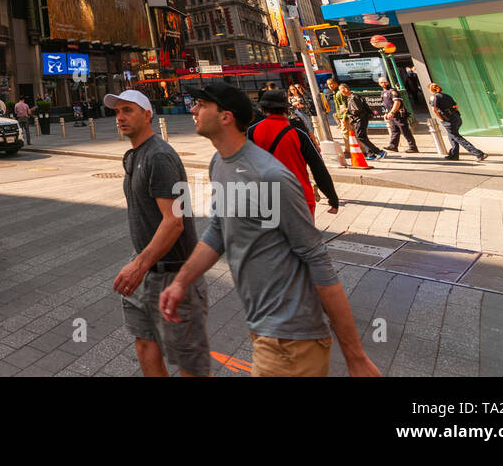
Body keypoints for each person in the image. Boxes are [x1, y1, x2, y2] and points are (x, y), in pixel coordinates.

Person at [160, 82, 380, 377]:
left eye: (201, 104)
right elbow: (217, 229)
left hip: (292, 339)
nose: (193, 109)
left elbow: (317, 259)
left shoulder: (270, 176)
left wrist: (356, 358)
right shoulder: (219, 164)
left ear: (225, 116)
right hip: (264, 330)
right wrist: (180, 282)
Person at [106, 90, 210, 377]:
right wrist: (140, 264)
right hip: (146, 269)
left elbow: (174, 222)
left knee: (190, 363)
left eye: (128, 110)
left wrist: (138, 266)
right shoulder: (137, 154)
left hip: (173, 274)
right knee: (144, 344)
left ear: (147, 115)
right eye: (117, 112)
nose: (120, 117)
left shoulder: (159, 156)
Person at [248, 90, 340, 216]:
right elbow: (318, 167)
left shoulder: (252, 132)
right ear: (285, 109)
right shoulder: (298, 133)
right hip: (299, 197)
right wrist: (332, 197)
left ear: (263, 109)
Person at [429, 83, 487, 161]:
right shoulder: (447, 96)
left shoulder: (434, 97)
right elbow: (456, 106)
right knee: (452, 136)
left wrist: (442, 119)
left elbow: (434, 110)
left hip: (448, 119)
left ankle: (478, 153)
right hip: (456, 117)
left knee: (457, 137)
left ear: (431, 90)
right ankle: (454, 155)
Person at [340, 83, 386, 160]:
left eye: (341, 90)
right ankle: (370, 154)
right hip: (360, 119)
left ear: (346, 89)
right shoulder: (351, 97)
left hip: (360, 119)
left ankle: (379, 152)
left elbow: (357, 110)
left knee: (360, 137)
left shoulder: (353, 97)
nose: (341, 92)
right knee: (363, 137)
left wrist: (347, 110)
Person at [379, 79, 418, 153]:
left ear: (388, 82)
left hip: (399, 115)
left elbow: (397, 102)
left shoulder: (393, 91)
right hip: (391, 115)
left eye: (385, 82)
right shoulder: (383, 92)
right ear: (379, 84)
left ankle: (413, 147)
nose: (384, 83)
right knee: (394, 131)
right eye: (381, 82)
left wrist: (392, 112)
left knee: (405, 131)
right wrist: (386, 113)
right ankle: (393, 146)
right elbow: (386, 105)